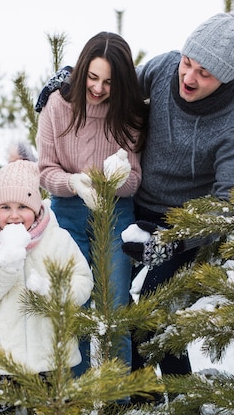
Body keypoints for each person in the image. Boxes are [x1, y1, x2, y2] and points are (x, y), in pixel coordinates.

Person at [35, 10, 234, 399]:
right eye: (188, 63)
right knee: (107, 303)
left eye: (204, 73)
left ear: (226, 76)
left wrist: (175, 239)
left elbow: (229, 207)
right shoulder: (166, 67)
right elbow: (114, 81)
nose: (188, 77)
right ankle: (133, 391)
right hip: (131, 204)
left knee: (153, 310)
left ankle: (179, 396)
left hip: (180, 222)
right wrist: (70, 78)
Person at [35, 31, 149, 378]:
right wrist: (73, 182)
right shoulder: (57, 105)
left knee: (114, 310)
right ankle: (77, 393)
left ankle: (117, 396)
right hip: (68, 214)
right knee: (74, 308)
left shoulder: (130, 114)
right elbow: (45, 171)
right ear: (82, 71)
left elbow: (134, 181)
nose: (98, 89)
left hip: (115, 216)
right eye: (93, 78)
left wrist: (114, 177)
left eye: (109, 82)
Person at [0, 156, 93, 415]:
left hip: (50, 355)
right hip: (1, 357)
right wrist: (1, 269)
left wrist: (54, 294)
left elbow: (83, 280)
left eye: (23, 206)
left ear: (37, 207)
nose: (14, 216)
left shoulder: (57, 239)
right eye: (5, 207)